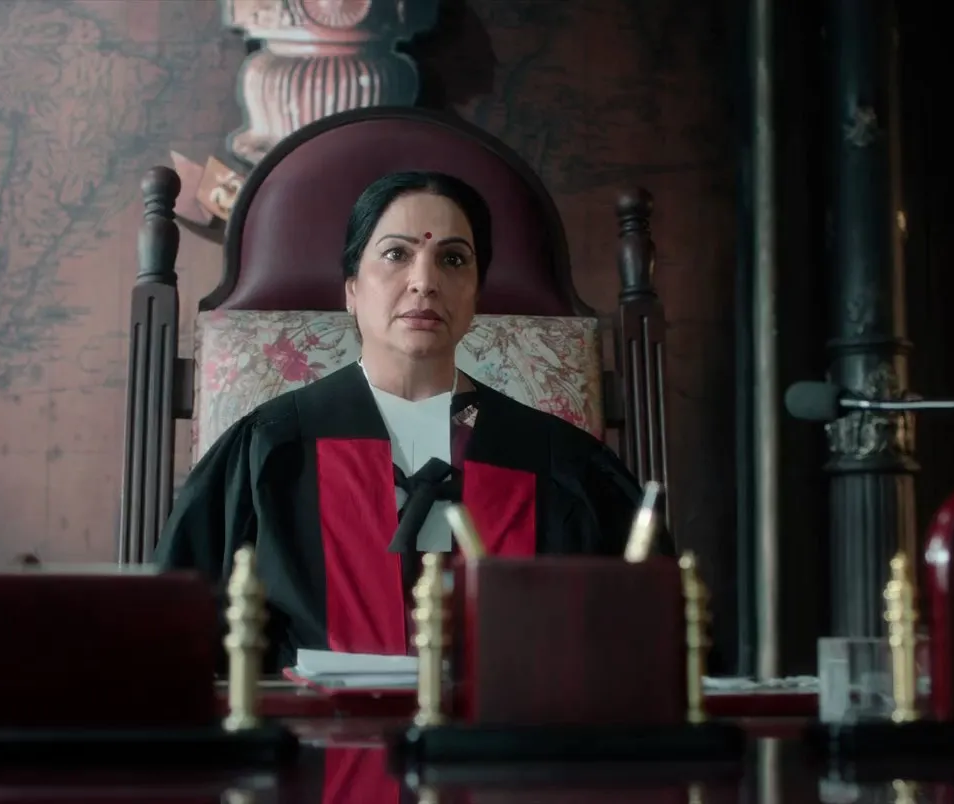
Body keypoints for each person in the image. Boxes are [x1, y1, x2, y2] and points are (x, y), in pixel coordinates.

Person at [156, 171, 663, 670]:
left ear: (476, 294)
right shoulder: (269, 450)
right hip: (313, 724)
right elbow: (176, 647)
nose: (425, 281)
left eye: (453, 259)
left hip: (509, 726)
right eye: (396, 254)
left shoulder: (563, 466)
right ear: (351, 289)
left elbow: (643, 650)